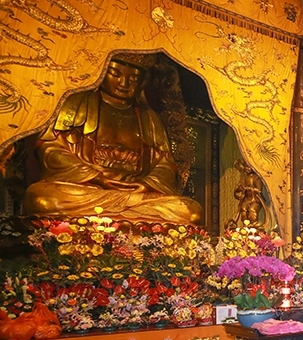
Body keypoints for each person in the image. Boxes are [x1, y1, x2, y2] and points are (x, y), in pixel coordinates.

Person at [23, 54, 202, 224]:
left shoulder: (150, 118)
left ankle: (113, 217)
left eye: (133, 79)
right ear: (101, 72)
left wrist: (145, 184)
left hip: (136, 194)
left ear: (143, 82)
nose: (124, 83)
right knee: (42, 198)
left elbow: (165, 165)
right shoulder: (75, 103)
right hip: (89, 189)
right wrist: (95, 177)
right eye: (115, 74)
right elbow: (50, 148)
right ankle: (132, 220)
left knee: (190, 210)